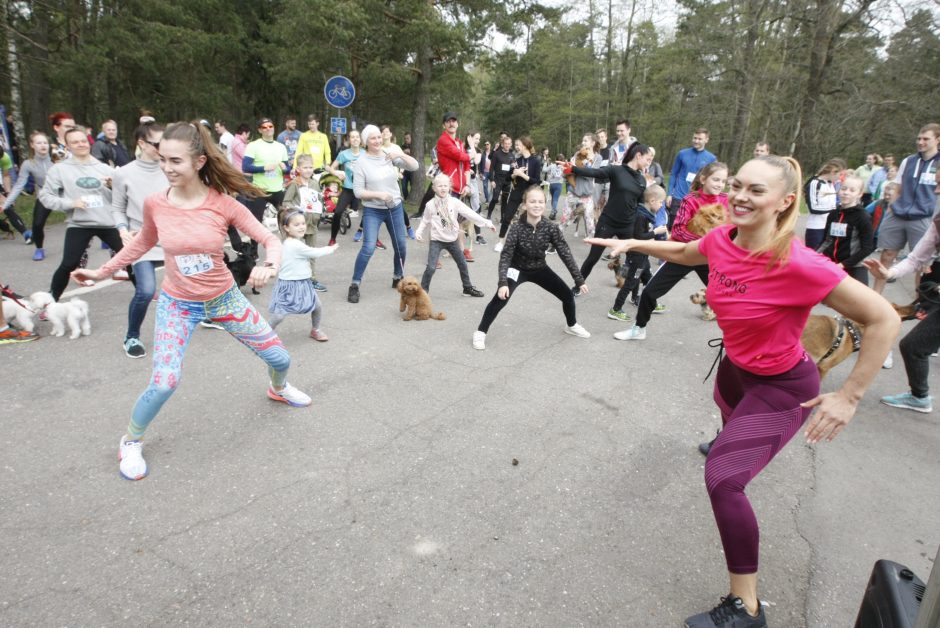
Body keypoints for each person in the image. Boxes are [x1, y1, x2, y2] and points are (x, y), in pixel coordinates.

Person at [589, 155, 899, 628]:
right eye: (737, 185)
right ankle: (734, 439)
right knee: (728, 442)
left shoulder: (801, 263)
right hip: (734, 373)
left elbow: (885, 318)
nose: (739, 196)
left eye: (756, 190)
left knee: (723, 478)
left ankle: (747, 608)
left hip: (784, 385)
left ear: (785, 202)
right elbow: (688, 254)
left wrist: (850, 396)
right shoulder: (722, 238)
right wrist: (636, 242)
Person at [70, 121, 310, 481]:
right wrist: (102, 272)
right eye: (162, 159)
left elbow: (268, 238)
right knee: (165, 380)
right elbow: (140, 243)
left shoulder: (222, 204)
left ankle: (277, 388)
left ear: (198, 162)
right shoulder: (156, 204)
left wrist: (270, 264)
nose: (166, 168)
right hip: (178, 304)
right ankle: (131, 441)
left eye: (176, 161)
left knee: (280, 357)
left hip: (225, 299)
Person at [613, 161, 729, 340]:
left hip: (711, 259)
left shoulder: (727, 200)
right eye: (716, 179)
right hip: (685, 254)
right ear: (703, 179)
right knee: (650, 292)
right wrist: (704, 243)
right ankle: (639, 328)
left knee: (729, 298)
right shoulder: (690, 200)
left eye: (723, 181)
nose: (720, 184)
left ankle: (737, 341)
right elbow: (679, 231)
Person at [472, 186, 590, 350]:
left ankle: (572, 325)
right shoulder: (516, 228)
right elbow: (505, 256)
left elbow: (565, 253)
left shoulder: (551, 227)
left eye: (540, 201)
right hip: (517, 269)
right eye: (532, 201)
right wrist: (503, 283)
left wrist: (579, 279)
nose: (537, 205)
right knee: (501, 298)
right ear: (525, 205)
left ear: (545, 204)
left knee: (567, 295)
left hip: (540, 269)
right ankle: (480, 332)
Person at [865, 202, 940, 413]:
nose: (935, 192)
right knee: (913, 346)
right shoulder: (938, 223)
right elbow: (916, 258)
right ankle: (920, 397)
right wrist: (890, 273)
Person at [39, 127, 125, 301]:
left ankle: (145, 295)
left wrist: (112, 186)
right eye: (75, 142)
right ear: (68, 146)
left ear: (89, 142)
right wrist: (70, 203)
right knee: (68, 264)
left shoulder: (104, 168)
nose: (81, 145)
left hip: (107, 222)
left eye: (83, 141)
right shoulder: (59, 170)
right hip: (79, 224)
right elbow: (45, 196)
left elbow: (123, 196)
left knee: (129, 258)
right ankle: (51, 302)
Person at [111, 121, 169, 358]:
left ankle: (205, 316)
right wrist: (122, 229)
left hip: (173, 239)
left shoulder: (172, 169)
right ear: (142, 143)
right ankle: (132, 336)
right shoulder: (123, 173)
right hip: (142, 241)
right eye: (158, 144)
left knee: (197, 281)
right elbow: (117, 207)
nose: (163, 148)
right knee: (145, 291)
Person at [346, 124, 419, 303]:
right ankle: (354, 284)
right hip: (373, 210)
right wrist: (379, 195)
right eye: (373, 138)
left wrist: (400, 155)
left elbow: (415, 166)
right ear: (366, 142)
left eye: (379, 137)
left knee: (401, 246)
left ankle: (397, 277)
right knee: (369, 247)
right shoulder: (361, 162)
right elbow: (357, 192)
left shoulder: (389, 155)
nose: (378, 140)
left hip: (394, 208)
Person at [563, 142, 652, 287]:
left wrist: (647, 225)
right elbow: (595, 173)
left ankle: (648, 293)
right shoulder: (617, 170)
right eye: (648, 159)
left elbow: (640, 205)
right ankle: (577, 286)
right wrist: (572, 168)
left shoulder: (641, 179)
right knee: (593, 258)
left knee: (638, 258)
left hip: (628, 226)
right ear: (638, 155)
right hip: (608, 223)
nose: (650, 162)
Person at [873, 123, 940, 296]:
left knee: (922, 261)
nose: (921, 142)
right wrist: (891, 208)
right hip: (899, 213)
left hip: (924, 216)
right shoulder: (908, 161)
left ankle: (919, 300)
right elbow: (898, 185)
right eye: (919, 138)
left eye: (926, 139)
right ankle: (875, 296)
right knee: (887, 254)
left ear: (937, 140)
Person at [415, 173, 494, 296]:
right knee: (431, 267)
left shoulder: (454, 202)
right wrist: (419, 231)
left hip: (452, 240)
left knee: (462, 263)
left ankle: (467, 288)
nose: (443, 188)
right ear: (434, 188)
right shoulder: (430, 205)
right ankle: (423, 292)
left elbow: (469, 213)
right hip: (436, 240)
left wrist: (486, 223)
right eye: (439, 186)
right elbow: (425, 220)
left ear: (449, 187)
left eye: (445, 185)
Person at [269, 208, 337, 341]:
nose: (301, 227)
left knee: (317, 306)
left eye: (303, 223)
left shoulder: (294, 242)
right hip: (289, 285)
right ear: (286, 228)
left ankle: (315, 330)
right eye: (296, 225)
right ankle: (265, 334)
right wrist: (331, 248)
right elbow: (314, 252)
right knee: (279, 315)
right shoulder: (294, 244)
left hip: (303, 282)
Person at [607, 184, 668, 321]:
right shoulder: (641, 216)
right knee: (631, 282)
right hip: (637, 254)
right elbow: (639, 237)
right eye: (660, 202)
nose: (662, 205)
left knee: (647, 279)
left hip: (643, 255)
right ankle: (615, 309)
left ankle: (638, 299)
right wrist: (655, 232)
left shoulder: (647, 214)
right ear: (652, 201)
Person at [241, 118, 289, 256]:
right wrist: (263, 168)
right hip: (260, 190)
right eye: (264, 127)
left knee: (285, 219)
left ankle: (287, 247)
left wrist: (286, 168)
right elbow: (245, 167)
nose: (268, 128)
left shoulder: (281, 147)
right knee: (256, 221)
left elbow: (287, 168)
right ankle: (254, 251)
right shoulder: (254, 146)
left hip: (277, 189)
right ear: (260, 130)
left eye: (270, 126)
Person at [815, 174, 874, 285]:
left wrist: (843, 265)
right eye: (843, 188)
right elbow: (826, 240)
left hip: (854, 266)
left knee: (858, 299)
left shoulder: (863, 217)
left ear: (860, 194)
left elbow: (867, 248)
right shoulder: (833, 214)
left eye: (852, 190)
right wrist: (815, 256)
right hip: (832, 264)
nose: (846, 192)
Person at [281, 154, 328, 291]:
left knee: (311, 253)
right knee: (296, 254)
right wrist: (297, 209)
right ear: (299, 169)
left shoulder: (314, 183)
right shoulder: (295, 184)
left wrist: (320, 212)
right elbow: (286, 202)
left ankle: (311, 279)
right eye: (305, 167)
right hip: (298, 226)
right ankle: (294, 280)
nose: (308, 170)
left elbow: (318, 200)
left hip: (312, 224)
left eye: (310, 167)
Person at [2, 133, 51, 249]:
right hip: (45, 195)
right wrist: (6, 203)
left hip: (63, 194)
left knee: (84, 217)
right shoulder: (28, 164)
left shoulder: (57, 158)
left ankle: (102, 236)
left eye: (45, 143)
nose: (43, 145)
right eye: (39, 143)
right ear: (32, 145)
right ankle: (39, 249)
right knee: (37, 224)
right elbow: (19, 185)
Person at [494, 136, 541, 251]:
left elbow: (537, 181)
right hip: (516, 192)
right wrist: (514, 174)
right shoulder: (516, 161)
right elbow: (508, 178)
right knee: (507, 217)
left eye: (518, 145)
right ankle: (500, 242)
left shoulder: (535, 161)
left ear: (525, 145)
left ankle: (530, 243)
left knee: (530, 220)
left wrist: (521, 174)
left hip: (530, 193)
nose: (516, 147)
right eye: (515, 145)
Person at [666, 128, 717, 229]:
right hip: (678, 196)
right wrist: (669, 194)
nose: (696, 141)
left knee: (691, 228)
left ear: (706, 140)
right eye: (695, 138)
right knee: (672, 227)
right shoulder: (682, 154)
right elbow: (674, 174)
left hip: (696, 198)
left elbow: (711, 180)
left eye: (699, 139)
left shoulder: (711, 159)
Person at [325, 128, 362, 246]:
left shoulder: (365, 154)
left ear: (360, 139)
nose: (355, 139)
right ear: (349, 140)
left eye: (357, 137)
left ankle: (373, 238)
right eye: (353, 137)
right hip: (348, 189)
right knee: (338, 212)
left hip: (362, 189)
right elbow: (331, 168)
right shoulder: (344, 154)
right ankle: (332, 239)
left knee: (371, 213)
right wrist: (337, 173)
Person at [562, 133, 601, 235]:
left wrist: (577, 169)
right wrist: (567, 169)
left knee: (590, 222)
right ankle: (553, 243)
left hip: (587, 195)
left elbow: (593, 173)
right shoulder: (577, 154)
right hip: (573, 192)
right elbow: (570, 169)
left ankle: (594, 245)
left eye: (586, 141)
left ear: (593, 143)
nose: (583, 143)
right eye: (582, 140)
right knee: (565, 219)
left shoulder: (598, 158)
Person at [803, 159, 841, 250]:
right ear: (833, 172)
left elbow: (833, 203)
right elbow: (813, 208)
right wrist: (834, 209)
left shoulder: (830, 184)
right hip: (816, 226)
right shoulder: (815, 183)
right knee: (813, 253)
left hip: (829, 226)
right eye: (839, 174)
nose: (839, 178)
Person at [486, 135, 514, 221]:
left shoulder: (512, 155)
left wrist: (513, 168)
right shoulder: (496, 154)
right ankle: (489, 214)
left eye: (509, 144)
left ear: (511, 144)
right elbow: (491, 168)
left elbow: (513, 169)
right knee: (495, 199)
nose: (507, 145)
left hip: (507, 181)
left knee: (504, 200)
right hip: (497, 180)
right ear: (502, 144)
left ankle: (503, 218)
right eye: (505, 144)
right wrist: (491, 180)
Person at [544, 154, 565, 219]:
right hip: (559, 184)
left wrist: (545, 163)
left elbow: (544, 170)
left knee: (553, 199)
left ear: (556, 160)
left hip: (552, 184)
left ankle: (553, 212)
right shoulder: (563, 167)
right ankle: (553, 212)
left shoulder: (552, 166)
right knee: (555, 199)